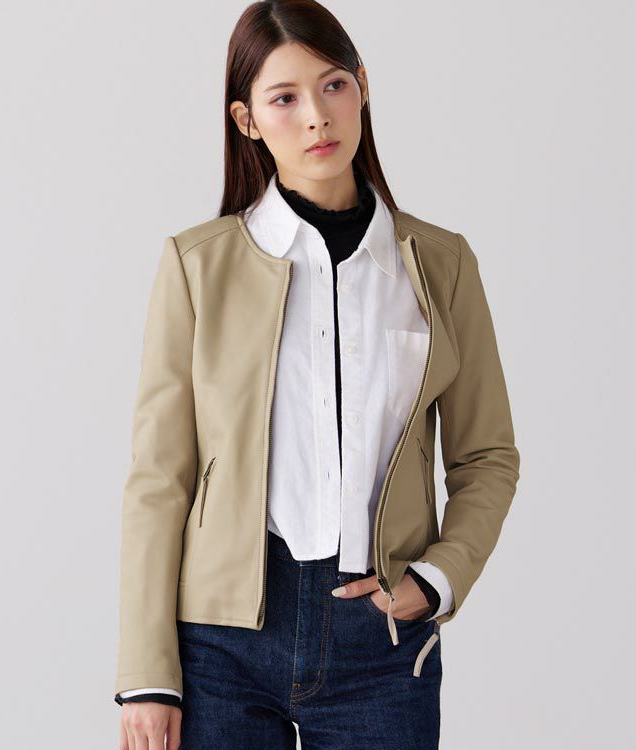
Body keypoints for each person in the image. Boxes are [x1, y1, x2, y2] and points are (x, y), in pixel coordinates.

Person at [114, 1, 520, 748]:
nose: (316, 117)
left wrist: (438, 578)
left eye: (334, 85)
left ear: (362, 86)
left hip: (381, 642)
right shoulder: (197, 267)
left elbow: (486, 455)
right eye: (284, 98)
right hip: (220, 643)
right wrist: (148, 674)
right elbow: (159, 478)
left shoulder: (441, 265)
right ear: (246, 120)